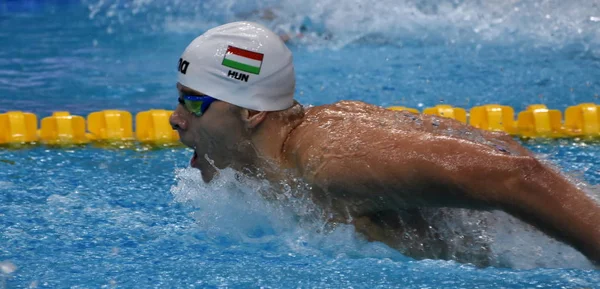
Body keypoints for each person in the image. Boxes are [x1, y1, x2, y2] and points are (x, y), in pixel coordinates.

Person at [169, 21, 600, 266]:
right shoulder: (261, 155)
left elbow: (512, 175)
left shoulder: (331, 160)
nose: (176, 118)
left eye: (194, 102)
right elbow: (496, 141)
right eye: (179, 99)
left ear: (251, 112)